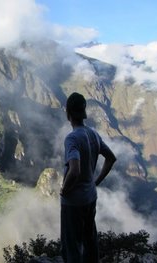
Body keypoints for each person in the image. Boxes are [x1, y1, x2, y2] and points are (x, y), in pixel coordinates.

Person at [60, 92, 116, 263]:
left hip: (74, 202)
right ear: (83, 112)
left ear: (68, 113)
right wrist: (95, 182)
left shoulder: (72, 139)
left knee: (71, 245)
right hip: (90, 197)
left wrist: (65, 189)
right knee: (90, 240)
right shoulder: (93, 134)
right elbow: (111, 158)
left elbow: (74, 170)